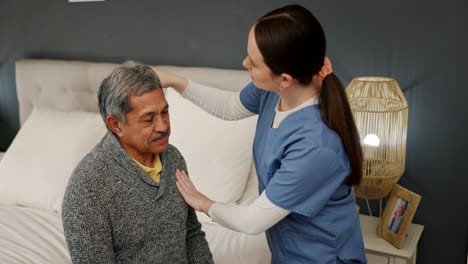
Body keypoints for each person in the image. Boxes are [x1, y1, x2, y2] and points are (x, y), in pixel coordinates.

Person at [156, 4, 366, 264]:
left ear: (285, 79)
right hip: (286, 253)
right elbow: (231, 107)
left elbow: (253, 220)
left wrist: (203, 203)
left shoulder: (316, 147)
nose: (245, 64)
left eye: (253, 63)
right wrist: (174, 81)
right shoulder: (274, 91)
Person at [61, 61, 213, 264]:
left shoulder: (173, 158)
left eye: (165, 112)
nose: (162, 126)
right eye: (149, 119)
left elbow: (191, 235)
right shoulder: (88, 187)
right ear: (116, 125)